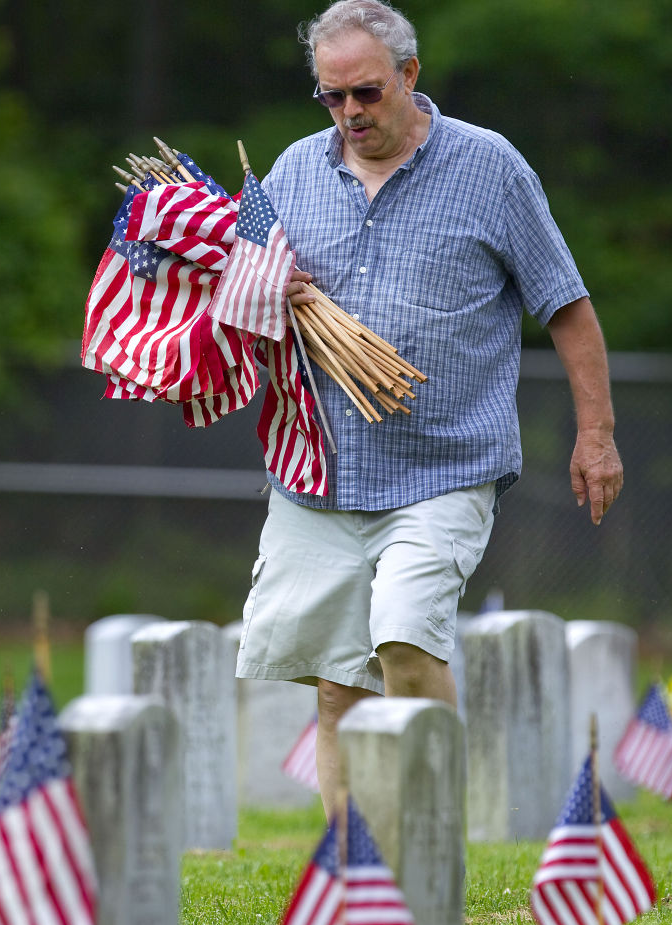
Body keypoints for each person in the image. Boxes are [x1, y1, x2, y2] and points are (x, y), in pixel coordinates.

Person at [235, 0, 624, 817]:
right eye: (332, 98)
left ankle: (433, 831)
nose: (349, 114)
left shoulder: (490, 166)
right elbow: (238, 303)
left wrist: (597, 435)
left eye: (366, 94)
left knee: (405, 637)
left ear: (410, 76)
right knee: (340, 681)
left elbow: (567, 307)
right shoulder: (294, 171)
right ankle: (357, 861)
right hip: (321, 471)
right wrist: (270, 292)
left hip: (446, 468)